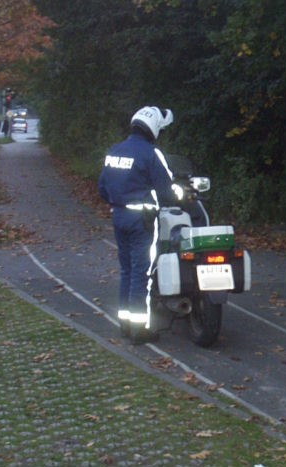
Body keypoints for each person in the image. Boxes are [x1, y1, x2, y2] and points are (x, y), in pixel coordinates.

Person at [98, 106, 182, 344]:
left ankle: (125, 323)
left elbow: (102, 187)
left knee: (126, 270)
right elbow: (166, 191)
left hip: (119, 216)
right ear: (154, 127)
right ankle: (139, 329)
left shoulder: (115, 151)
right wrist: (176, 199)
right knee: (140, 273)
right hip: (141, 221)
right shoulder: (150, 154)